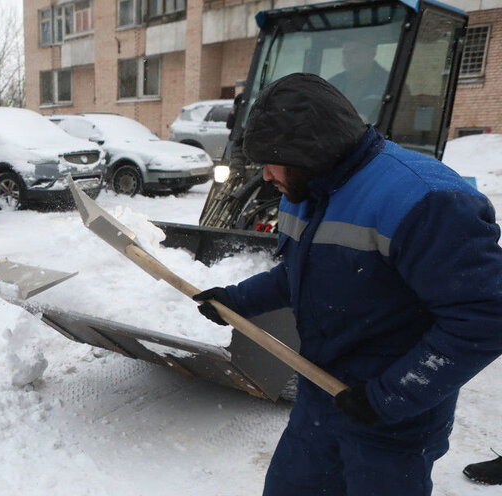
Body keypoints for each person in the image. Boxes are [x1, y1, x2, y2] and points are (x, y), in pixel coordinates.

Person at [192, 73, 502, 495]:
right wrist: (236, 301)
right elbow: (303, 274)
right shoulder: (303, 192)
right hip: (321, 396)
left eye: (271, 159)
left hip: (393, 423)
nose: (265, 175)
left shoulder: (425, 200)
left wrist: (388, 398)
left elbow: (484, 318)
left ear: (308, 152)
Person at [328, 39, 391, 123]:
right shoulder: (333, 83)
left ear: (372, 53)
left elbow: (361, 120)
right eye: (345, 53)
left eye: (354, 52)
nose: (347, 58)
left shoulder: (389, 83)